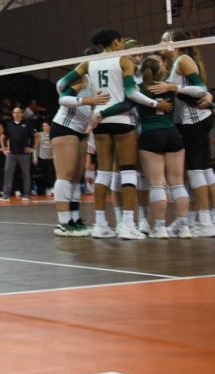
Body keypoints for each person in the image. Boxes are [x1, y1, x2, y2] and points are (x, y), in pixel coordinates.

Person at [59, 28, 165, 239]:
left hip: (99, 120)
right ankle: (127, 224)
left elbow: (61, 85)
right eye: (122, 40)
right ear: (116, 42)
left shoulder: (89, 63)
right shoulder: (124, 60)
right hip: (122, 119)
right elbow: (131, 94)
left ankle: (100, 225)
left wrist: (83, 97)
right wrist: (156, 103)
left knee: (103, 173)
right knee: (127, 172)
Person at [154, 29, 215, 237]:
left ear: (174, 43)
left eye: (164, 41)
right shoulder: (176, 63)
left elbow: (201, 89)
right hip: (191, 121)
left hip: (195, 121)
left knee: (196, 171)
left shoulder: (183, 59)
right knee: (205, 171)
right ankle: (201, 219)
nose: (160, 44)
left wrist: (172, 87)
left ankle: (205, 221)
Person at [136, 55, 192, 238]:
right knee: (177, 183)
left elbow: (126, 102)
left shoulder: (140, 89)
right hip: (172, 134)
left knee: (157, 184)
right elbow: (194, 94)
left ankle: (160, 228)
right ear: (161, 70)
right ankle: (183, 227)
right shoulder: (169, 87)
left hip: (151, 134)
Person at [50, 68, 108, 236]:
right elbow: (63, 99)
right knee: (65, 175)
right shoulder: (83, 80)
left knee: (77, 177)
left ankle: (74, 219)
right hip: (64, 128)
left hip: (81, 131)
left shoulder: (99, 83)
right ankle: (63, 222)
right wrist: (90, 99)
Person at [0, 106, 35, 202]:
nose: (16, 114)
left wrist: (34, 148)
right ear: (12, 114)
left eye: (18, 112)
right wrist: (3, 149)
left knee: (26, 174)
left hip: (24, 154)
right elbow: (2, 137)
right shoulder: (9, 124)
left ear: (22, 114)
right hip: (11, 154)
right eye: (15, 112)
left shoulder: (27, 124)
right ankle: (6, 195)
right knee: (8, 174)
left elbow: (37, 136)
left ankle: (26, 195)